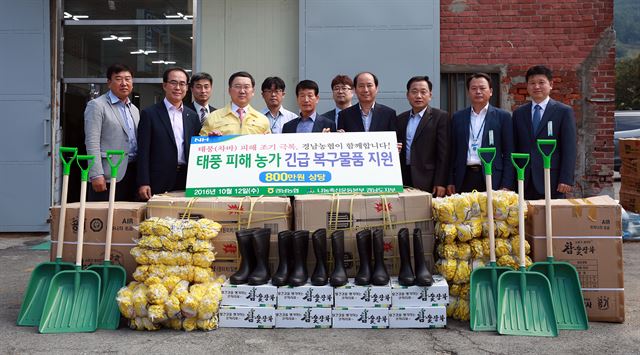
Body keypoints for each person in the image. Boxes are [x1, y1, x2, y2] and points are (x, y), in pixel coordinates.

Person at [513, 65, 577, 199]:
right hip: (524, 179)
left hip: (552, 179)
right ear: (527, 86)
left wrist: (566, 178)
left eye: (541, 82)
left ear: (551, 84)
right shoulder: (519, 113)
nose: (536, 87)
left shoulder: (563, 111)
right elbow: (515, 147)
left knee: (552, 219)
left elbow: (569, 148)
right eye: (532, 83)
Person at [137, 67, 201, 201]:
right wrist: (143, 182)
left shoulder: (192, 116)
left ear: (187, 88)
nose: (178, 87)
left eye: (182, 83)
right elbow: (143, 151)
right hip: (159, 179)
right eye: (173, 83)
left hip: (186, 178)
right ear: (165, 85)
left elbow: (197, 147)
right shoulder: (150, 114)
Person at [448, 73, 514, 194]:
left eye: (482, 88)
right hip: (463, 176)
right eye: (473, 88)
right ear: (468, 92)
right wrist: (450, 180)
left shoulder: (503, 117)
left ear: (491, 91)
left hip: (492, 176)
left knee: (490, 212)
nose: (478, 91)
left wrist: (506, 183)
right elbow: (452, 151)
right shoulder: (458, 117)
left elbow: (509, 152)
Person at [84, 63, 140, 201]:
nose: (124, 83)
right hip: (108, 174)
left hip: (132, 172)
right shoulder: (97, 105)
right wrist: (96, 174)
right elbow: (92, 141)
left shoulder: (134, 109)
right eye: (118, 79)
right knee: (104, 219)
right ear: (109, 83)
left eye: (128, 79)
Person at [396, 76, 450, 197]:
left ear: (430, 95)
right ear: (407, 95)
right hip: (404, 177)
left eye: (423, 92)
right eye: (414, 92)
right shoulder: (400, 119)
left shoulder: (440, 117)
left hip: (428, 179)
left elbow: (444, 153)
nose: (418, 96)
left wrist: (440, 182)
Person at [200, 71, 270, 136]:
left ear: (253, 91)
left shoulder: (262, 120)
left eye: (246, 87)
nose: (242, 91)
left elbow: (270, 145)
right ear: (229, 90)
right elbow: (200, 144)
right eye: (237, 86)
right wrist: (210, 139)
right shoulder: (213, 117)